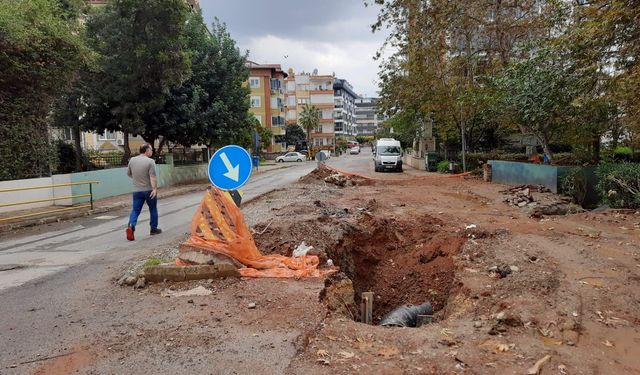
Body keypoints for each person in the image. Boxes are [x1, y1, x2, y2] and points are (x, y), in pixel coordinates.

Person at [125, 143, 161, 241]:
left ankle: (131, 226)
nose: (152, 151)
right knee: (153, 208)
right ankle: (153, 229)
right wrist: (154, 189)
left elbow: (129, 174)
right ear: (146, 150)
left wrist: (137, 179)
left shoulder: (132, 160)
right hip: (149, 190)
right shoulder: (150, 161)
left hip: (136, 191)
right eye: (151, 149)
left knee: (136, 210)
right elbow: (152, 177)